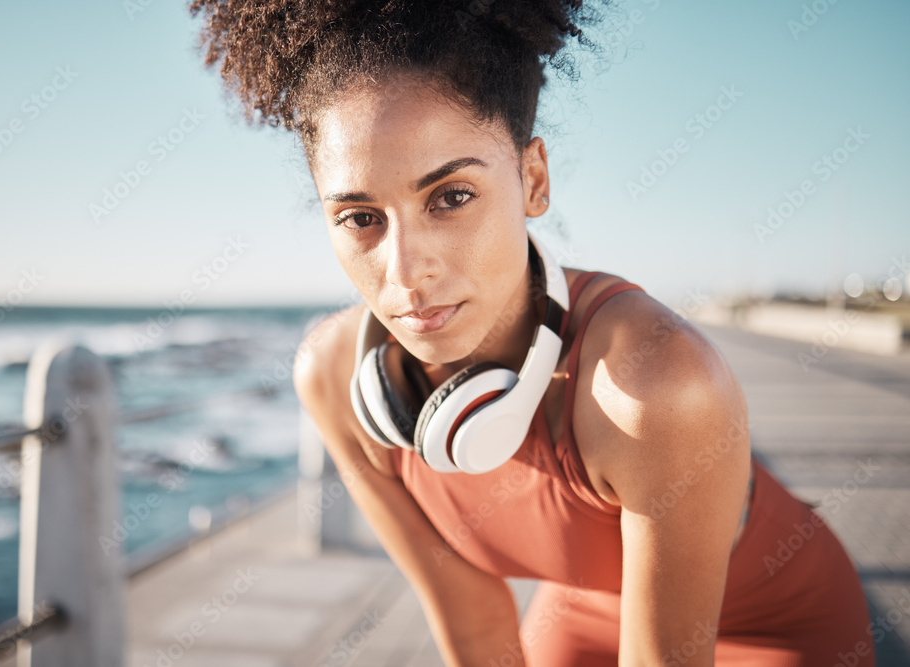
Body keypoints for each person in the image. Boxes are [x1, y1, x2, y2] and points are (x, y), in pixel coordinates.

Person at [189, 1, 876, 664]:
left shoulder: (656, 384)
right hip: (580, 609)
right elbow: (471, 615)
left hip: (774, 619)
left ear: (533, 178)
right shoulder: (333, 379)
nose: (405, 272)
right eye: (361, 217)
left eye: (450, 197)